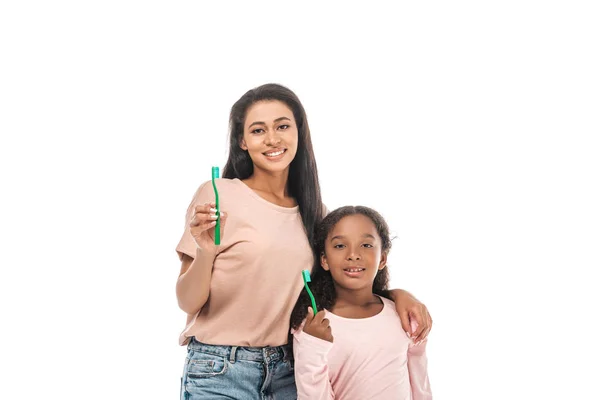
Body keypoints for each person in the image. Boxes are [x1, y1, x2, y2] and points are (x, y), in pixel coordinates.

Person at [175, 83, 432, 399]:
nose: (272, 139)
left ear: (299, 131)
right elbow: (187, 302)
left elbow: (343, 282)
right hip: (221, 368)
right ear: (242, 141)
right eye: (258, 130)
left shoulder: (315, 213)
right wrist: (205, 253)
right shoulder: (218, 195)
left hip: (287, 369)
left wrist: (396, 295)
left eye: (282, 126)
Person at [291, 205, 432, 400]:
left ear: (382, 259)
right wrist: (313, 346)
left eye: (366, 245)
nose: (353, 254)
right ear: (324, 260)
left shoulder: (404, 316)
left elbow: (420, 385)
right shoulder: (313, 328)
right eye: (340, 246)